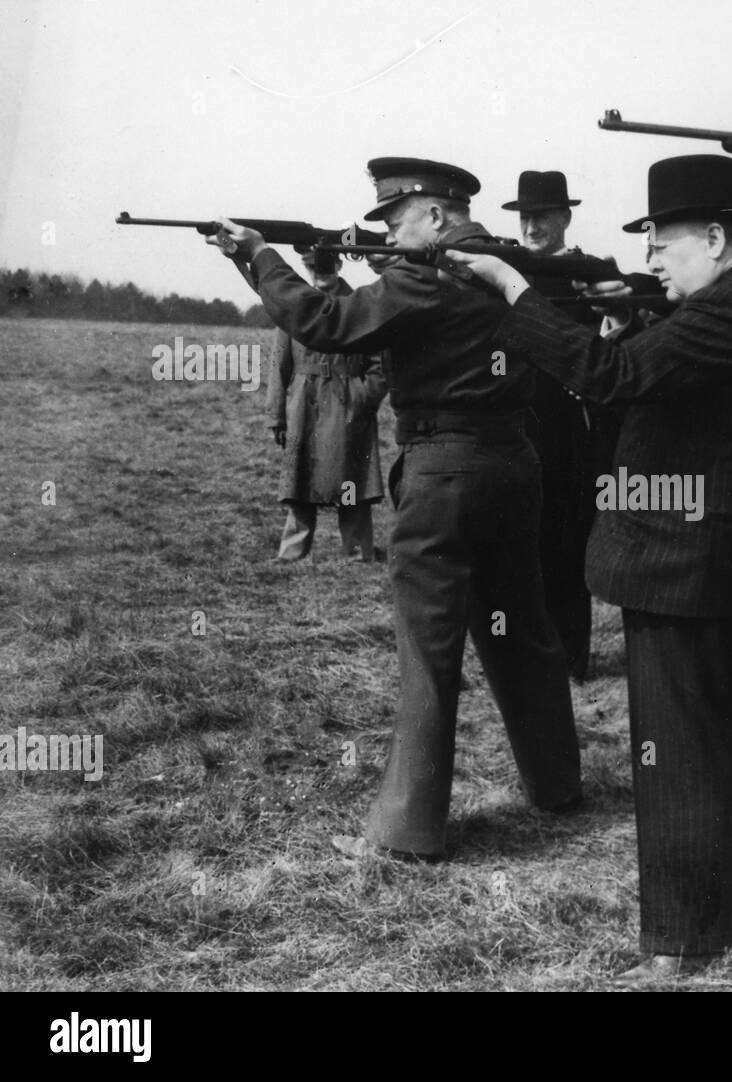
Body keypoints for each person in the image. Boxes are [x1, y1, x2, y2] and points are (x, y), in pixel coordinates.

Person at [447, 155, 732, 983]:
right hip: (716, 558)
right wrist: (625, 320)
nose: (650, 260)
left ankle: (681, 942)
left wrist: (515, 291)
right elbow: (667, 378)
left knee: (677, 748)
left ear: (717, 238)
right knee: (714, 735)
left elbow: (613, 380)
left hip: (686, 563)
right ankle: (728, 916)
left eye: (663, 242)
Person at [208, 157, 581, 860]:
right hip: (512, 464)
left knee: (428, 650)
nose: (389, 232)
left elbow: (324, 320)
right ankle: (557, 784)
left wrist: (256, 255)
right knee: (523, 632)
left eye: (395, 219)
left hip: (443, 473)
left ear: (436, 216)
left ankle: (410, 830)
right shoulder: (505, 265)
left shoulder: (425, 276)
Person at [504, 170, 621, 680]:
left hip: (570, 424)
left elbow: (614, 335)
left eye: (543, 218)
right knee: (518, 543)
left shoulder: (590, 271)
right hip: (516, 416)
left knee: (567, 543)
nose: (532, 226)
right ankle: (528, 657)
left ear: (565, 219)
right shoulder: (506, 266)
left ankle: (573, 656)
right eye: (526, 217)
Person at [265, 250, 387, 563]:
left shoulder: (359, 304)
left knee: (352, 478)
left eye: (325, 265)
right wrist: (277, 416)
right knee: (299, 478)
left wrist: (362, 396)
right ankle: (293, 550)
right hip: (305, 403)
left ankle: (358, 550)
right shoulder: (294, 306)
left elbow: (380, 364)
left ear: (339, 265)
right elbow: (280, 364)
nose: (319, 272)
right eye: (310, 266)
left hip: (348, 401)